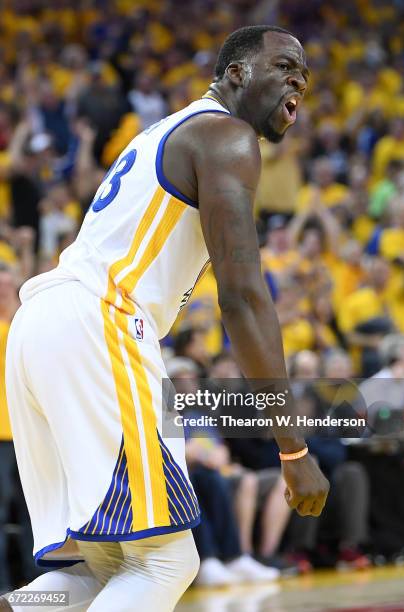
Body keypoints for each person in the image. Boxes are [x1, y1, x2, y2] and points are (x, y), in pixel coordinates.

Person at [4, 25, 328, 611]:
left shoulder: (167, 130)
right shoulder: (226, 135)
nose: (298, 80)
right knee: (166, 561)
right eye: (283, 66)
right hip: (99, 322)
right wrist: (293, 450)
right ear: (236, 75)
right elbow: (244, 298)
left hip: (40, 325)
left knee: (101, 569)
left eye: (303, 74)